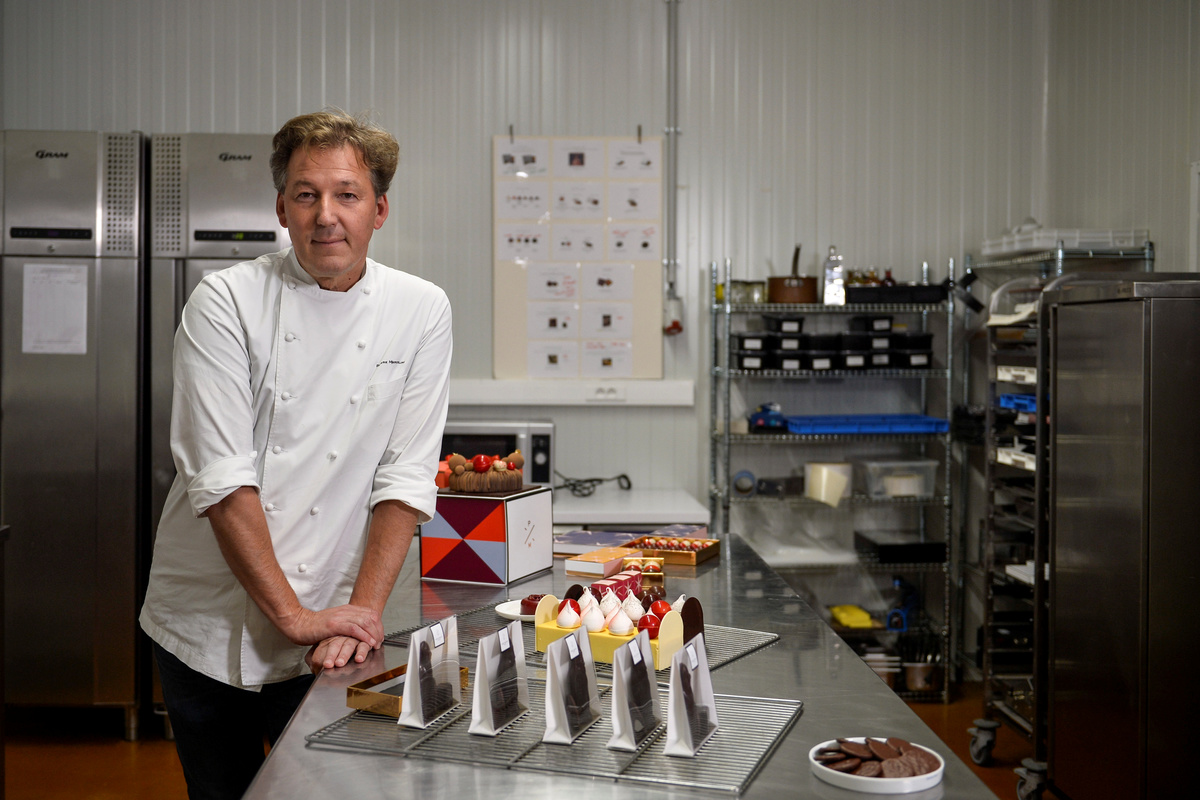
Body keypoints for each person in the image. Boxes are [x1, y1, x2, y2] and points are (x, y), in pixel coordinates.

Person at [140, 109, 452, 799]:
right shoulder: (225, 301)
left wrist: (360, 615)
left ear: (379, 210)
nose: (326, 216)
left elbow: (404, 478)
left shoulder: (421, 309)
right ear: (282, 208)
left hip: (337, 628)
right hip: (210, 621)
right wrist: (293, 617)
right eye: (306, 195)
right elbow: (222, 478)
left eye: (348, 194)